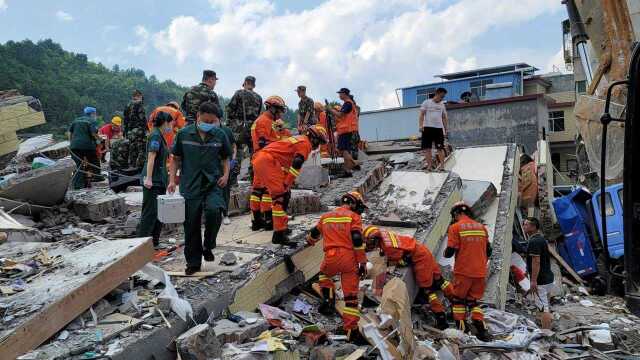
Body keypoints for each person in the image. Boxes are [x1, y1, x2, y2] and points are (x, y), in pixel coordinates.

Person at [168, 101, 232, 275]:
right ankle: (193, 262)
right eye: (206, 120)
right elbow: (175, 159)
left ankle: (208, 245)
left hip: (213, 183)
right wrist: (172, 180)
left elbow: (226, 158)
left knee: (214, 211)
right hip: (191, 184)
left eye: (212, 122)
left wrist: (225, 175)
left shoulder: (219, 135)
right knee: (191, 224)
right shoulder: (183, 134)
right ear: (197, 117)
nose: (209, 124)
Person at [363, 225, 453, 330]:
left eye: (369, 242)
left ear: (375, 239)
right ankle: (457, 299)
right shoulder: (384, 235)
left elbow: (403, 260)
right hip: (423, 251)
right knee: (440, 281)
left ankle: (441, 318)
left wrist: (390, 264)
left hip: (420, 259)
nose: (369, 244)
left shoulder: (388, 247)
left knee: (428, 291)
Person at [306, 191, 367, 341]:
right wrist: (362, 262)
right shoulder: (354, 217)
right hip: (349, 259)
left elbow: (314, 233)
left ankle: (328, 300)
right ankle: (351, 330)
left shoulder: (326, 217)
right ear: (352, 203)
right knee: (351, 297)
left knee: (324, 275)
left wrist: (309, 241)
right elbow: (357, 239)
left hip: (331, 257)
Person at [252, 125, 328, 245]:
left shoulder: (300, 139)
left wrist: (287, 183)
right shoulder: (305, 144)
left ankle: (270, 224)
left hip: (264, 159)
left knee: (276, 194)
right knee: (280, 197)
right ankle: (278, 234)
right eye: (319, 142)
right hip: (267, 161)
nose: (318, 146)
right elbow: (297, 163)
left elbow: (287, 161)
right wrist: (287, 183)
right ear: (313, 138)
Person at [444, 201, 492, 341]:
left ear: (456, 213)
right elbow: (489, 250)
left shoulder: (455, 227)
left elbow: (450, 251)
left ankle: (463, 332)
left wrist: (447, 253)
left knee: (458, 300)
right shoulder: (481, 227)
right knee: (473, 302)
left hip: (464, 271)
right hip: (480, 272)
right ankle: (483, 331)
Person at [249, 96, 288, 232]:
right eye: (279, 110)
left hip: (261, 157)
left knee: (259, 190)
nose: (280, 113)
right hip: (266, 157)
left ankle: (259, 220)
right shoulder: (264, 121)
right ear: (272, 108)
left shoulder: (265, 121)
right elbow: (264, 142)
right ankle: (268, 221)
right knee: (268, 191)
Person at [137, 111, 173, 248]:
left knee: (159, 212)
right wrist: (149, 178)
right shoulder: (155, 135)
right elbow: (151, 157)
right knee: (150, 212)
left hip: (160, 179)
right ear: (165, 122)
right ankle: (141, 246)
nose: (171, 126)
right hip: (153, 179)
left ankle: (154, 242)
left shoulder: (160, 135)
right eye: (170, 123)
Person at [226, 76, 263, 183]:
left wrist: (230, 123)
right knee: (254, 153)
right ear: (254, 85)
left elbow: (230, 109)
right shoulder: (259, 98)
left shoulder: (239, 93)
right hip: (253, 128)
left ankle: (233, 180)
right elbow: (259, 114)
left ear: (245, 83)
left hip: (239, 127)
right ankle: (254, 179)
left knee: (237, 152)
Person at [523, 217, 554, 329]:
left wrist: (533, 281)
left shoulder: (534, 241)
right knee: (545, 305)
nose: (524, 226)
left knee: (543, 308)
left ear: (533, 227)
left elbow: (536, 261)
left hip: (541, 281)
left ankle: (547, 334)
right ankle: (546, 326)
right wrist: (528, 270)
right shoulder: (541, 239)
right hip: (548, 278)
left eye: (526, 224)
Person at [327, 88, 358, 178]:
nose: (339, 95)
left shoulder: (348, 103)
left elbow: (340, 115)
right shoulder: (348, 103)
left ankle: (349, 169)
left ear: (344, 94)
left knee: (344, 150)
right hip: (346, 130)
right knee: (345, 150)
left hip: (346, 130)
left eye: (340, 94)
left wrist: (330, 110)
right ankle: (349, 169)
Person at [69, 106, 101, 189]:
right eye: (95, 113)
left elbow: (70, 133)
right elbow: (94, 134)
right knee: (94, 161)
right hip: (87, 146)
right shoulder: (92, 121)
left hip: (74, 147)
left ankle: (78, 185)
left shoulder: (76, 120)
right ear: (92, 113)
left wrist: (71, 143)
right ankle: (97, 177)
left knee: (78, 165)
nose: (95, 115)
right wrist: (100, 140)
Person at [418, 87, 449, 171]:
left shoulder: (442, 105)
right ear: (437, 94)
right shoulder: (426, 102)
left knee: (440, 148)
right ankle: (429, 167)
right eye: (441, 96)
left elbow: (444, 118)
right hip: (427, 128)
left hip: (438, 129)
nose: (442, 98)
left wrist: (446, 129)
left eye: (443, 97)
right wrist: (420, 126)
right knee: (427, 148)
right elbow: (421, 115)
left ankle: (442, 167)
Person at [123, 89, 147, 169]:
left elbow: (125, 120)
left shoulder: (127, 105)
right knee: (141, 150)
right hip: (139, 131)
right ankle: (139, 169)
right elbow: (142, 118)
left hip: (130, 132)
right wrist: (146, 130)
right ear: (139, 96)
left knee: (132, 150)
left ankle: (132, 167)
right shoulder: (139, 104)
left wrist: (125, 132)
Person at [218, 121, 237, 226]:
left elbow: (233, 146)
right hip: (212, 164)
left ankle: (225, 214)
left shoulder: (226, 130)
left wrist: (233, 159)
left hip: (225, 164)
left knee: (225, 190)